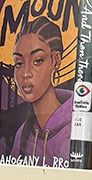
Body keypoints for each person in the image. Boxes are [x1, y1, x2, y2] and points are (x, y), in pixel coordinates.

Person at [9, 17, 72, 166]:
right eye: (19, 63)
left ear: (56, 61)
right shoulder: (22, 133)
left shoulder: (75, 127)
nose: (26, 73)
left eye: (37, 60)